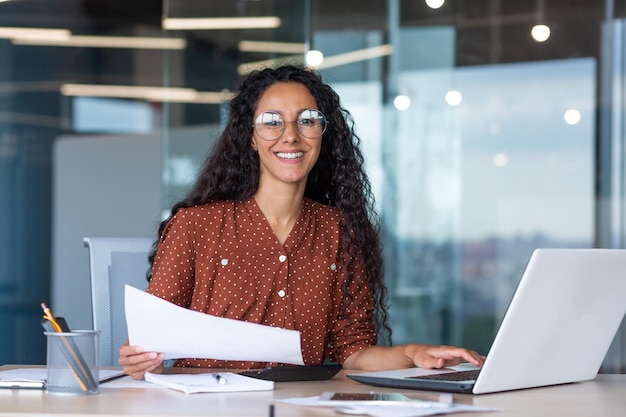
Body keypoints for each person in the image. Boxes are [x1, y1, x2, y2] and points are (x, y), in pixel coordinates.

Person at [119, 64, 484, 379]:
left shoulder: (338, 231)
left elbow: (353, 350)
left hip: (300, 406)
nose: (290, 135)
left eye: (306, 120)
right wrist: (141, 360)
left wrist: (413, 355)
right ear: (250, 136)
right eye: (272, 122)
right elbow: (153, 340)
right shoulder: (194, 226)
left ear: (322, 135)